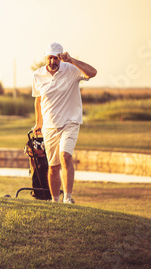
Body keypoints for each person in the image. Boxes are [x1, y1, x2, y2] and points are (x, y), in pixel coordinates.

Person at [32, 43, 97, 204]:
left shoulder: (72, 69)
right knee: (53, 166)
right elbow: (38, 100)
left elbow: (93, 73)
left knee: (65, 156)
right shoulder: (37, 75)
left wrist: (72, 60)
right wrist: (38, 123)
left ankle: (67, 198)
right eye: (50, 58)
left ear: (61, 57)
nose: (53, 61)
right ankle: (55, 201)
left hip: (70, 122)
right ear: (45, 57)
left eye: (56, 57)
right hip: (49, 125)